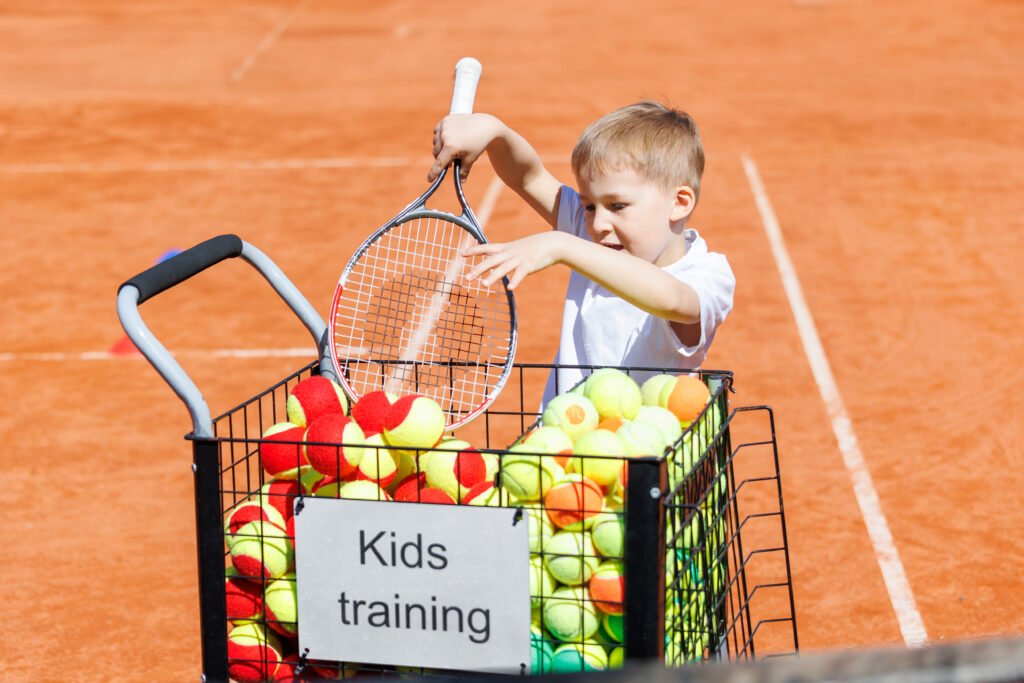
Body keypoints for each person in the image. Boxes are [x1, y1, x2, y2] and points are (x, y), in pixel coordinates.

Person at [428, 101, 735, 404]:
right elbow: (529, 177)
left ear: (679, 203)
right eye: (589, 206)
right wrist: (494, 131)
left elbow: (673, 300)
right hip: (565, 443)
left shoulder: (707, 275)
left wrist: (563, 244)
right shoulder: (592, 238)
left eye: (618, 206)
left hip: (649, 452)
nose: (599, 223)